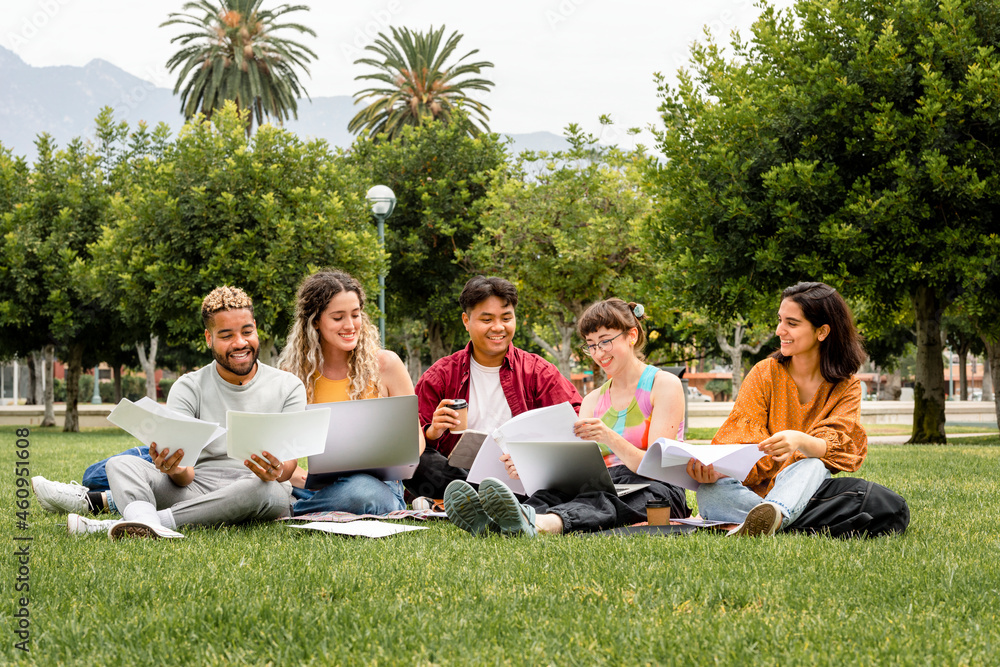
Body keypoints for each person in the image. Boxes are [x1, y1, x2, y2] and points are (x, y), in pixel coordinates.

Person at [55, 286, 307, 539]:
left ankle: (142, 523)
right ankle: (144, 523)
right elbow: (185, 477)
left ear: (255, 328)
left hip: (262, 490)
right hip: (198, 487)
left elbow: (289, 467)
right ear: (209, 338)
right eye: (226, 335)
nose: (240, 343)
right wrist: (174, 468)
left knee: (260, 489)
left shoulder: (288, 386)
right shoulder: (189, 387)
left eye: (247, 331)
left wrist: (274, 471)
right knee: (120, 464)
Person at [444, 298, 690, 537]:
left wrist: (609, 437)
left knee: (603, 499)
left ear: (632, 335)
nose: (598, 353)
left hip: (656, 488)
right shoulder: (593, 399)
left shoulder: (663, 385)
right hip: (605, 482)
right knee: (553, 493)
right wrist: (528, 468)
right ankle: (494, 520)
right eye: (591, 345)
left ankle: (540, 523)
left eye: (605, 342)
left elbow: (657, 468)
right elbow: (578, 471)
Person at [688, 281, 868, 536]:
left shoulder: (847, 386)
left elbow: (841, 448)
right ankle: (777, 519)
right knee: (710, 492)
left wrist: (800, 441)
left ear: (822, 331)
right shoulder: (764, 372)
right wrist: (718, 470)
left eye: (791, 323)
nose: (779, 330)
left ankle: (773, 516)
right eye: (780, 320)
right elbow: (743, 445)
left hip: (805, 486)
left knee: (814, 465)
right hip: (754, 490)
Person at [407, 276, 582, 501]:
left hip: (520, 476)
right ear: (466, 321)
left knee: (556, 469)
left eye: (506, 318)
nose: (498, 328)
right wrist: (432, 432)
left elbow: (575, 420)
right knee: (418, 461)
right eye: (487, 319)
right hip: (459, 476)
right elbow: (408, 443)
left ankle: (467, 501)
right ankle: (490, 499)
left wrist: (534, 458)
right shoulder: (440, 375)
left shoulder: (538, 371)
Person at [276, 269, 424, 516]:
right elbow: (281, 445)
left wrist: (391, 460)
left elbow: (416, 439)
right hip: (315, 487)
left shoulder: (386, 365)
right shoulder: (292, 374)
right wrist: (297, 477)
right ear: (315, 321)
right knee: (270, 487)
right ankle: (308, 505)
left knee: (361, 492)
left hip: (377, 486)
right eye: (338, 317)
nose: (350, 325)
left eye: (355, 315)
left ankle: (293, 510)